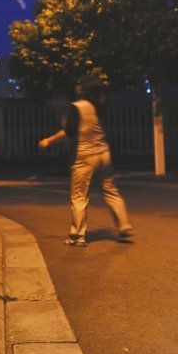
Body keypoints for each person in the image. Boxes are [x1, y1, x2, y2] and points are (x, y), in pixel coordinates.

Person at [38, 74, 135, 247]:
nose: (76, 86)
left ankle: (77, 236)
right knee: (110, 191)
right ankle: (124, 224)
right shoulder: (98, 106)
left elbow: (69, 132)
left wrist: (48, 141)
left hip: (85, 156)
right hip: (103, 153)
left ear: (83, 88)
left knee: (79, 196)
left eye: (79, 84)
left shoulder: (76, 107)